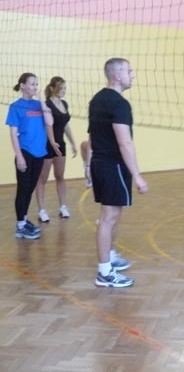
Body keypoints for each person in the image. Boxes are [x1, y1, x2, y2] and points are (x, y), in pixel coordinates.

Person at [89, 58, 149, 288]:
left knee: (113, 214)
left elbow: (92, 136)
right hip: (112, 165)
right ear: (116, 75)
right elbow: (125, 143)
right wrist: (138, 176)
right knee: (108, 217)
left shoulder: (97, 99)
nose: (132, 75)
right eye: (129, 71)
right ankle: (104, 272)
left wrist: (88, 165)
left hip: (101, 164)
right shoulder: (119, 104)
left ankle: (110, 255)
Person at [6, 72, 60, 239]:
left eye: (36, 84)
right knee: (23, 189)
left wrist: (42, 101)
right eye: (31, 84)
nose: (35, 87)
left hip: (40, 153)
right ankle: (20, 226)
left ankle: (23, 219)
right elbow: (13, 133)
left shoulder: (39, 105)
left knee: (30, 188)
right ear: (23, 86)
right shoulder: (16, 106)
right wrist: (19, 156)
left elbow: (50, 122)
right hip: (25, 151)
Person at [35, 76, 77, 222]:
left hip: (60, 144)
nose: (63, 91)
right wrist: (51, 142)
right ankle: (41, 210)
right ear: (52, 88)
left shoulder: (64, 104)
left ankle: (63, 206)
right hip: (46, 145)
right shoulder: (46, 105)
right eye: (60, 88)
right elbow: (47, 125)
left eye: (64, 88)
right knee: (42, 178)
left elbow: (65, 125)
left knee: (60, 176)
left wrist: (73, 143)